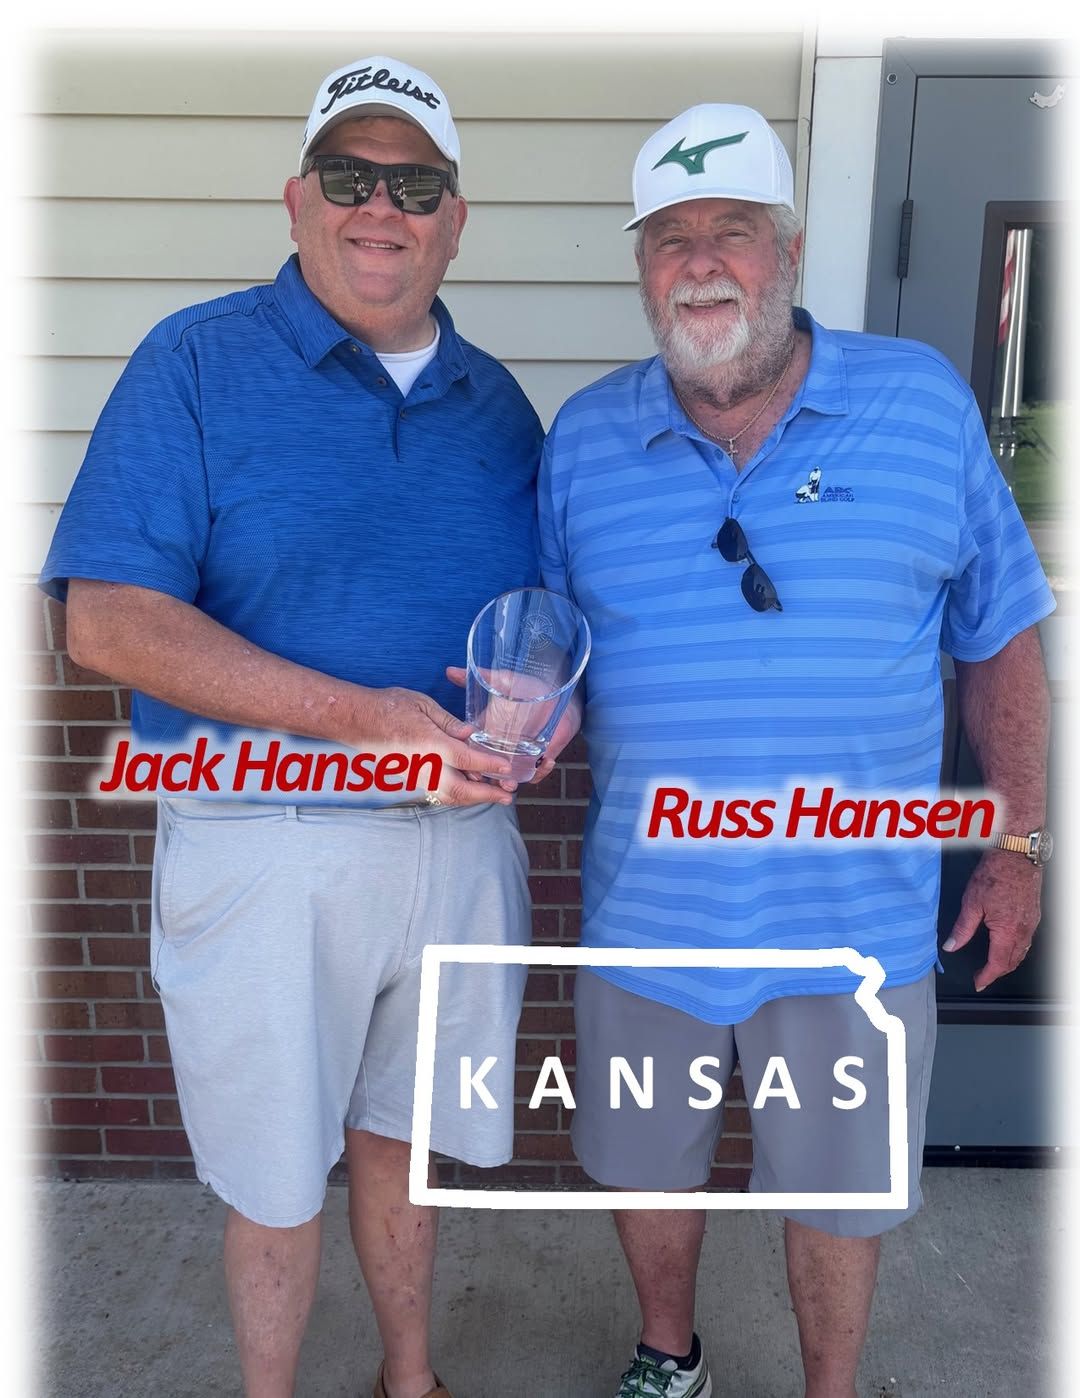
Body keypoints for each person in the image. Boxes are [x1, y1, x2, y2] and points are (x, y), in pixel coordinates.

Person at [39, 56, 548, 1398]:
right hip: (266, 836)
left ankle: (411, 1376)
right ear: (297, 199)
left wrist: (542, 710)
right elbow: (107, 622)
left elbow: (541, 626)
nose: (379, 205)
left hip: (458, 844)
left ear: (455, 217)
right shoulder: (195, 365)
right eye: (348, 174)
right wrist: (361, 719)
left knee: (405, 1136)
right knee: (275, 1169)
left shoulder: (500, 407)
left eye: (414, 181)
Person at [539, 103, 1054, 1398]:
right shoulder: (585, 442)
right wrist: (525, 714)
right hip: (652, 906)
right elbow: (555, 655)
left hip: (849, 917)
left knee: (841, 1187)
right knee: (645, 1158)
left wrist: (1018, 846)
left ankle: (829, 1384)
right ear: (640, 265)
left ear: (791, 246)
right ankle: (671, 1354)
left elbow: (1001, 642)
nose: (700, 261)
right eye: (668, 237)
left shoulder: (923, 406)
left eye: (733, 231)